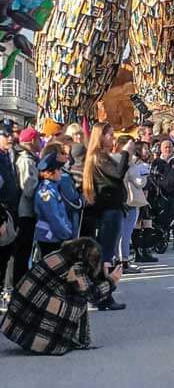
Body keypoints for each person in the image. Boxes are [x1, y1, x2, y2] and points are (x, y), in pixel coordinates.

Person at [1, 238, 122, 354]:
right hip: (34, 326)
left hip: (16, 326)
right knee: (79, 296)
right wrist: (111, 281)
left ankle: (36, 339)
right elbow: (92, 295)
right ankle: (55, 342)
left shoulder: (57, 255)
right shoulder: (77, 266)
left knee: (74, 289)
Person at [82, 122, 130, 310]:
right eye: (110, 135)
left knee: (106, 255)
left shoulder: (102, 156)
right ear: (100, 137)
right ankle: (104, 296)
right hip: (108, 211)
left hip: (111, 209)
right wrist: (126, 153)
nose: (113, 138)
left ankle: (102, 295)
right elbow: (117, 175)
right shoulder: (98, 157)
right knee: (106, 255)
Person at [13, 127, 42, 285]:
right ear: (31, 141)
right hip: (25, 212)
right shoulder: (26, 160)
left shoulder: (33, 158)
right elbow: (28, 188)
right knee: (22, 251)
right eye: (38, 139)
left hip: (31, 212)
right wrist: (41, 179)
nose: (40, 142)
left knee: (26, 250)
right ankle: (18, 284)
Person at [150, 139, 174, 250]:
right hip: (161, 195)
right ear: (161, 149)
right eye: (165, 147)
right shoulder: (156, 162)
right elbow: (152, 177)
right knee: (162, 218)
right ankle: (164, 239)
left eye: (169, 147)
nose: (168, 149)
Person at [34, 150, 73, 257]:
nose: (60, 172)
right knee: (52, 265)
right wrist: (66, 233)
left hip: (54, 236)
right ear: (48, 173)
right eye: (58, 170)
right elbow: (53, 217)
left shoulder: (53, 188)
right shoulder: (46, 192)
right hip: (50, 237)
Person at [119, 138, 148, 272]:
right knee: (125, 234)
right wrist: (144, 173)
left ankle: (122, 260)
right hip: (129, 201)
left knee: (123, 234)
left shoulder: (120, 161)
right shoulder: (130, 163)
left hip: (125, 200)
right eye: (131, 149)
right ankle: (123, 261)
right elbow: (139, 182)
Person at [131, 140, 158, 263]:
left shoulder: (143, 164)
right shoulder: (139, 165)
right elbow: (143, 183)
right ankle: (140, 252)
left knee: (145, 224)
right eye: (144, 148)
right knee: (141, 224)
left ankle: (143, 251)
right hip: (141, 197)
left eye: (147, 148)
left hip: (145, 198)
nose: (147, 151)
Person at [0, 123, 19, 297]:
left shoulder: (7, 156)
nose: (10, 138)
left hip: (11, 212)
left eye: (11, 134)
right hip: (2, 213)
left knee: (6, 255)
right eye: (6, 135)